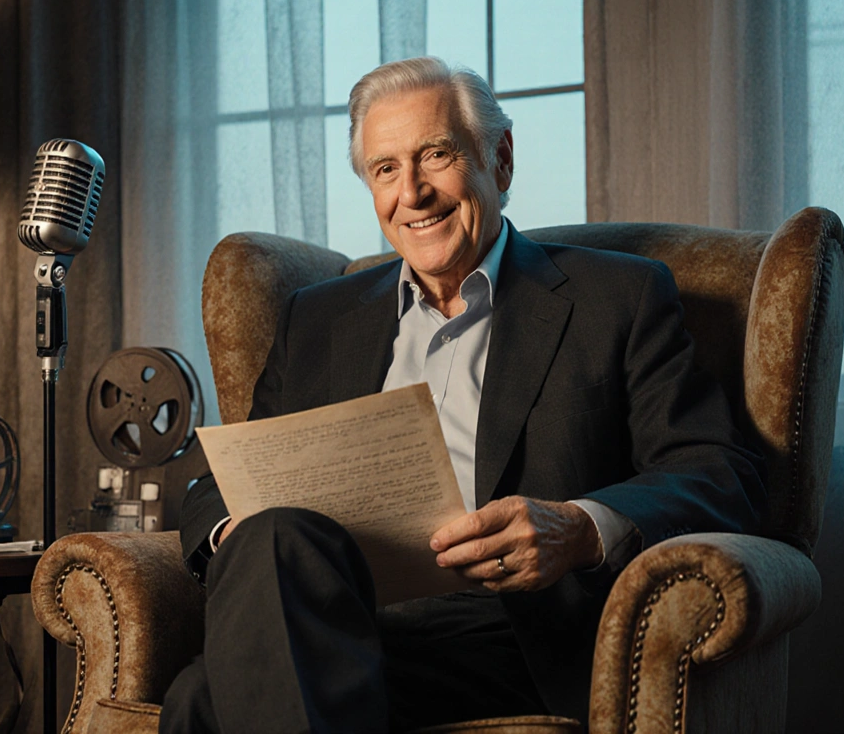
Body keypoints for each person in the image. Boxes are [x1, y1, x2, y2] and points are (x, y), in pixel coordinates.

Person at [163, 57, 766, 733]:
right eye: (385, 169)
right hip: (332, 618)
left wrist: (576, 528)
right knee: (267, 547)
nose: (412, 193)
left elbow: (718, 474)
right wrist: (241, 533)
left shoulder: (619, 297)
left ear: (498, 160)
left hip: (506, 638)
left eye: (436, 155)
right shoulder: (315, 319)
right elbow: (221, 481)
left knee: (201, 700)